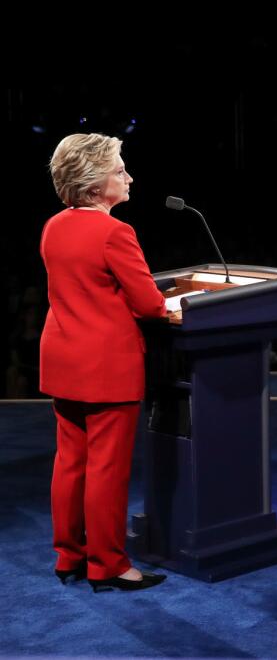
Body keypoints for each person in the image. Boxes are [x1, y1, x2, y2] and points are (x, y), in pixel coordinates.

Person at [41, 134, 169, 591]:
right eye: (120, 170)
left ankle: (68, 556)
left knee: (70, 462)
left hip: (63, 359)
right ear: (95, 186)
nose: (129, 177)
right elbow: (151, 305)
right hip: (107, 365)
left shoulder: (54, 226)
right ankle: (109, 565)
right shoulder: (116, 231)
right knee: (106, 469)